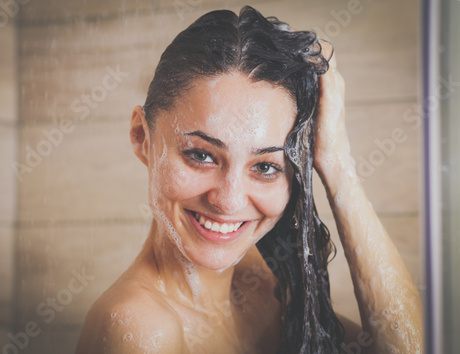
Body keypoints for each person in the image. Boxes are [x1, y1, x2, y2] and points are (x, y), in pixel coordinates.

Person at [75, 6, 423, 353]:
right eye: (201, 155)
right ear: (142, 137)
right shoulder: (139, 330)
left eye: (265, 167)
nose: (229, 201)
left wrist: (337, 163)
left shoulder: (260, 283)